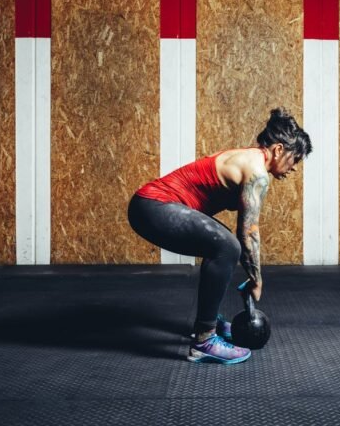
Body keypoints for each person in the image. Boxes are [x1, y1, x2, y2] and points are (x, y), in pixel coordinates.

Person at [127, 107, 312, 364]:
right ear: (279, 149)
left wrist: (251, 271)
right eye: (295, 159)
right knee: (228, 247)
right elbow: (248, 232)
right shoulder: (257, 173)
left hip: (149, 206)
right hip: (154, 206)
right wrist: (256, 279)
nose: (294, 168)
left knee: (224, 245)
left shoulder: (248, 157)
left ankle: (208, 323)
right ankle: (204, 340)